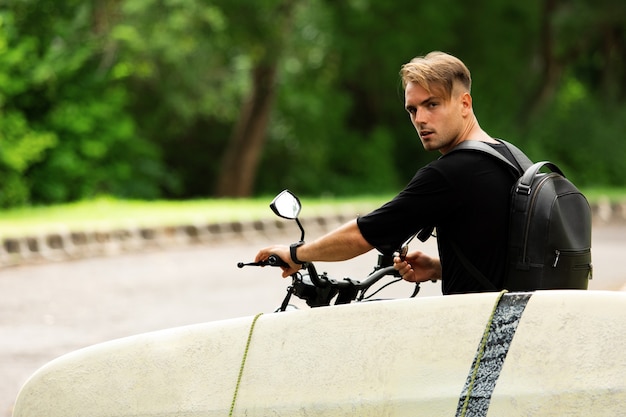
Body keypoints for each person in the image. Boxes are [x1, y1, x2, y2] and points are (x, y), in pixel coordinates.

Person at [254, 51, 522, 294]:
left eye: (432, 105)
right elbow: (507, 258)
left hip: (481, 333)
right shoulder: (511, 157)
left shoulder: (450, 174)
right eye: (412, 109)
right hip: (521, 322)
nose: (420, 119)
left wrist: (296, 253)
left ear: (464, 104)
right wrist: (439, 268)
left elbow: (363, 235)